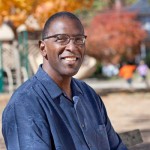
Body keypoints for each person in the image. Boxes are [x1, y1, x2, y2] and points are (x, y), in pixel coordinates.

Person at [2, 11, 127, 150]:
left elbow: (116, 147)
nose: (72, 47)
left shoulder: (89, 96)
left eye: (79, 39)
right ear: (43, 48)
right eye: (61, 39)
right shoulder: (25, 104)